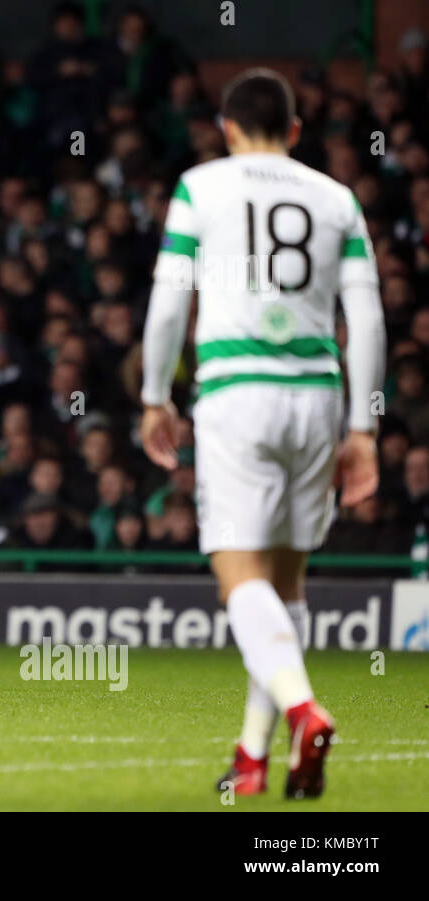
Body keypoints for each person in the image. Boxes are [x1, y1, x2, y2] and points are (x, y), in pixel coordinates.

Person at [140, 69, 385, 798]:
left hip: (235, 392)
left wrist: (155, 394)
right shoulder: (336, 198)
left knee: (238, 576)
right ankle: (251, 757)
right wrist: (364, 426)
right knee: (286, 582)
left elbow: (166, 301)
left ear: (228, 127)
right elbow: (367, 318)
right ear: (297, 132)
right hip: (317, 394)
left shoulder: (200, 186)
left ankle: (305, 709)